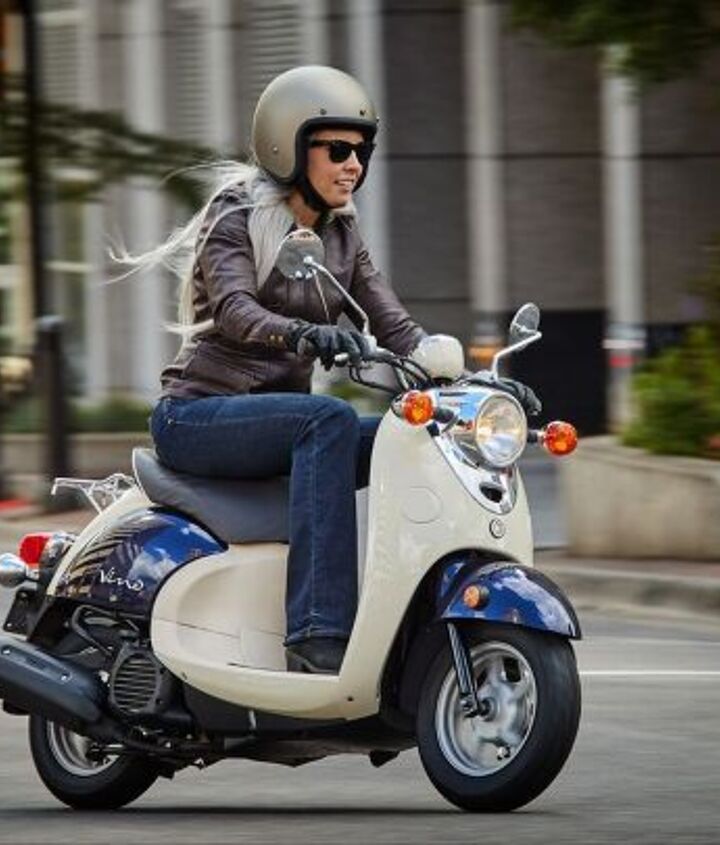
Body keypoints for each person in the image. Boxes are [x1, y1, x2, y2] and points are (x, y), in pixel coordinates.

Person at [147, 65, 426, 674]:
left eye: (362, 151)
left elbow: (394, 325)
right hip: (197, 415)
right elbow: (235, 310)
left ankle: (412, 626)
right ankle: (317, 633)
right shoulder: (235, 216)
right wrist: (303, 332)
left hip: (277, 425)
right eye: (338, 150)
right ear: (288, 147)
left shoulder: (341, 235)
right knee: (328, 419)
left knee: (415, 433)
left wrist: (473, 382)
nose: (354, 165)